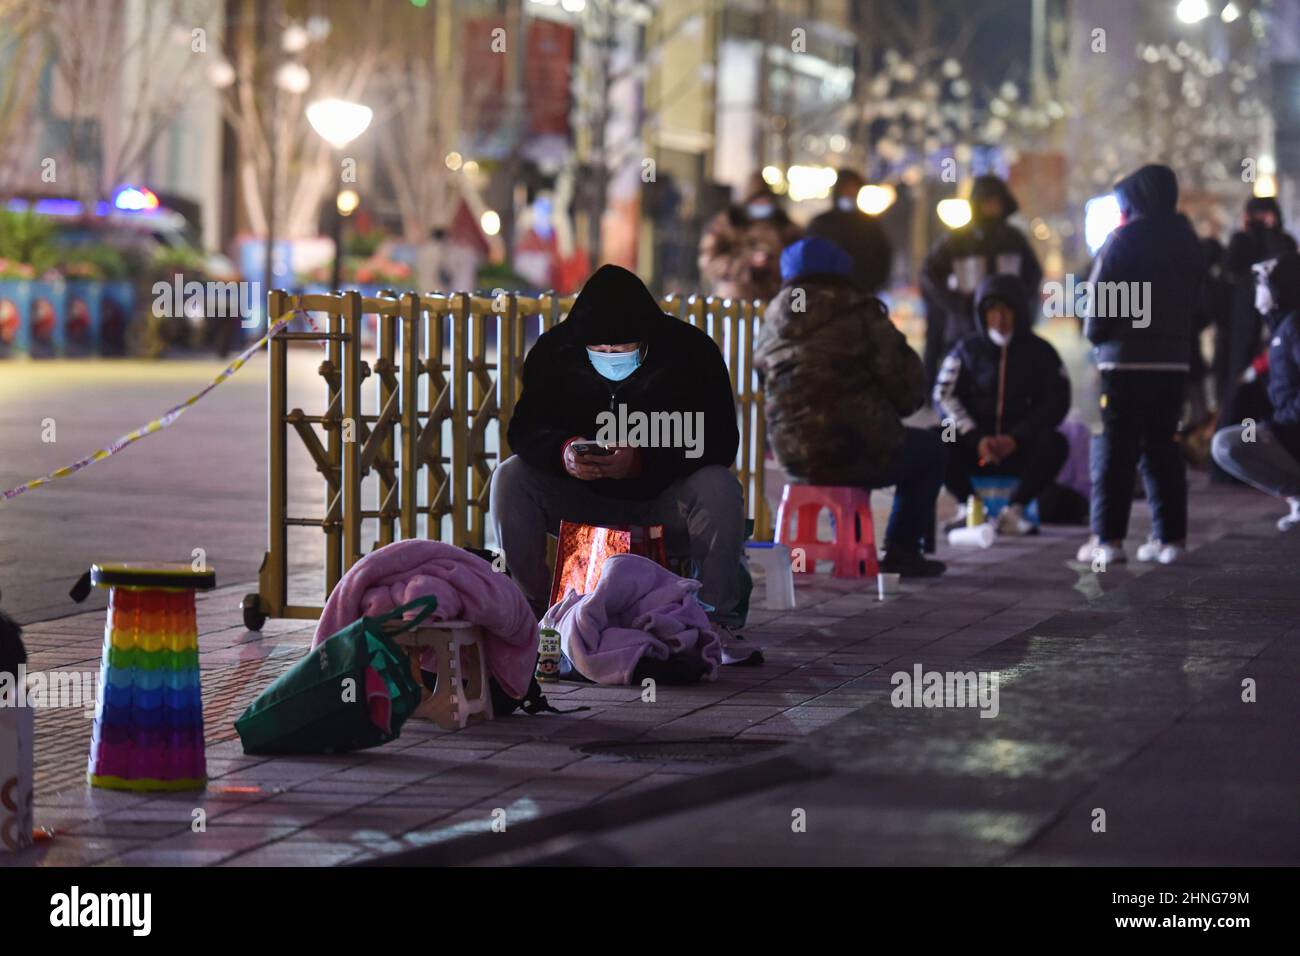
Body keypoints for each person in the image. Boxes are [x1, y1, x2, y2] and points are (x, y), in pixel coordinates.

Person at [491, 264, 760, 665]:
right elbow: (525, 429)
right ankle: (536, 617)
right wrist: (564, 452)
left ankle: (713, 622)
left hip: (665, 504)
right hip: (582, 500)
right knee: (509, 477)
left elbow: (720, 441)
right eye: (599, 351)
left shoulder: (691, 353)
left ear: (646, 339)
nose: (611, 357)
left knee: (718, 486)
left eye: (621, 350)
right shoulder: (555, 352)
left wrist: (642, 461)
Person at [754, 237, 946, 577]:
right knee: (931, 448)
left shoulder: (770, 322)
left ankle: (852, 541)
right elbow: (906, 386)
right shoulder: (861, 314)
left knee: (841, 442)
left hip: (793, 457)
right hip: (855, 450)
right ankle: (902, 550)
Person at [1077, 164, 1206, 566]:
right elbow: (1203, 304)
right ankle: (1171, 539)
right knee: (1163, 449)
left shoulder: (1121, 242)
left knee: (1116, 450)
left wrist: (1099, 337)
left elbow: (1098, 312)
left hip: (1125, 365)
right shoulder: (1187, 243)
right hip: (1172, 364)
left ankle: (1109, 540)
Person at [934, 274, 1071, 535]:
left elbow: (1056, 401)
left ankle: (1015, 509)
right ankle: (970, 507)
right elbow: (943, 395)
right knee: (938, 437)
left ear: (1020, 312)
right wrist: (976, 438)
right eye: (992, 311)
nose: (1000, 318)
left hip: (1020, 449)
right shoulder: (965, 350)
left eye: (1007, 310)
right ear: (981, 314)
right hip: (975, 448)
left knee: (1056, 441)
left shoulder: (1042, 353)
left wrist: (1016, 437)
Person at [920, 175, 1043, 385]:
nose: (992, 208)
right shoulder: (957, 240)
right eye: (987, 202)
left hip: (1007, 328)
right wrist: (956, 303)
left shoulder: (1013, 239)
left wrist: (1019, 305)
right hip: (965, 328)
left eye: (996, 202)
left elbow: (1033, 274)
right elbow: (930, 274)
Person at [1212, 250, 1300, 531]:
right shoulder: (1283, 325)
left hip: (1290, 430)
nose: (1259, 292)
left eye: (1264, 284)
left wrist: (1284, 421)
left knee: (1227, 444)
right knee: (1240, 431)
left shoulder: (1294, 325)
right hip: (1284, 427)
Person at [698, 172, 801, 302]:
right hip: (733, 303)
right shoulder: (726, 224)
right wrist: (747, 264)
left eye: (766, 200)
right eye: (757, 200)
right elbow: (709, 261)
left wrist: (771, 264)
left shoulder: (785, 226)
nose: (762, 204)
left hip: (773, 302)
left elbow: (797, 266)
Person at [805, 168, 894, 294]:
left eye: (854, 188)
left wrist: (870, 284)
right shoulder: (821, 223)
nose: (850, 192)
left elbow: (883, 256)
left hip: (861, 293)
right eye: (846, 188)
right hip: (826, 293)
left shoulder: (871, 226)